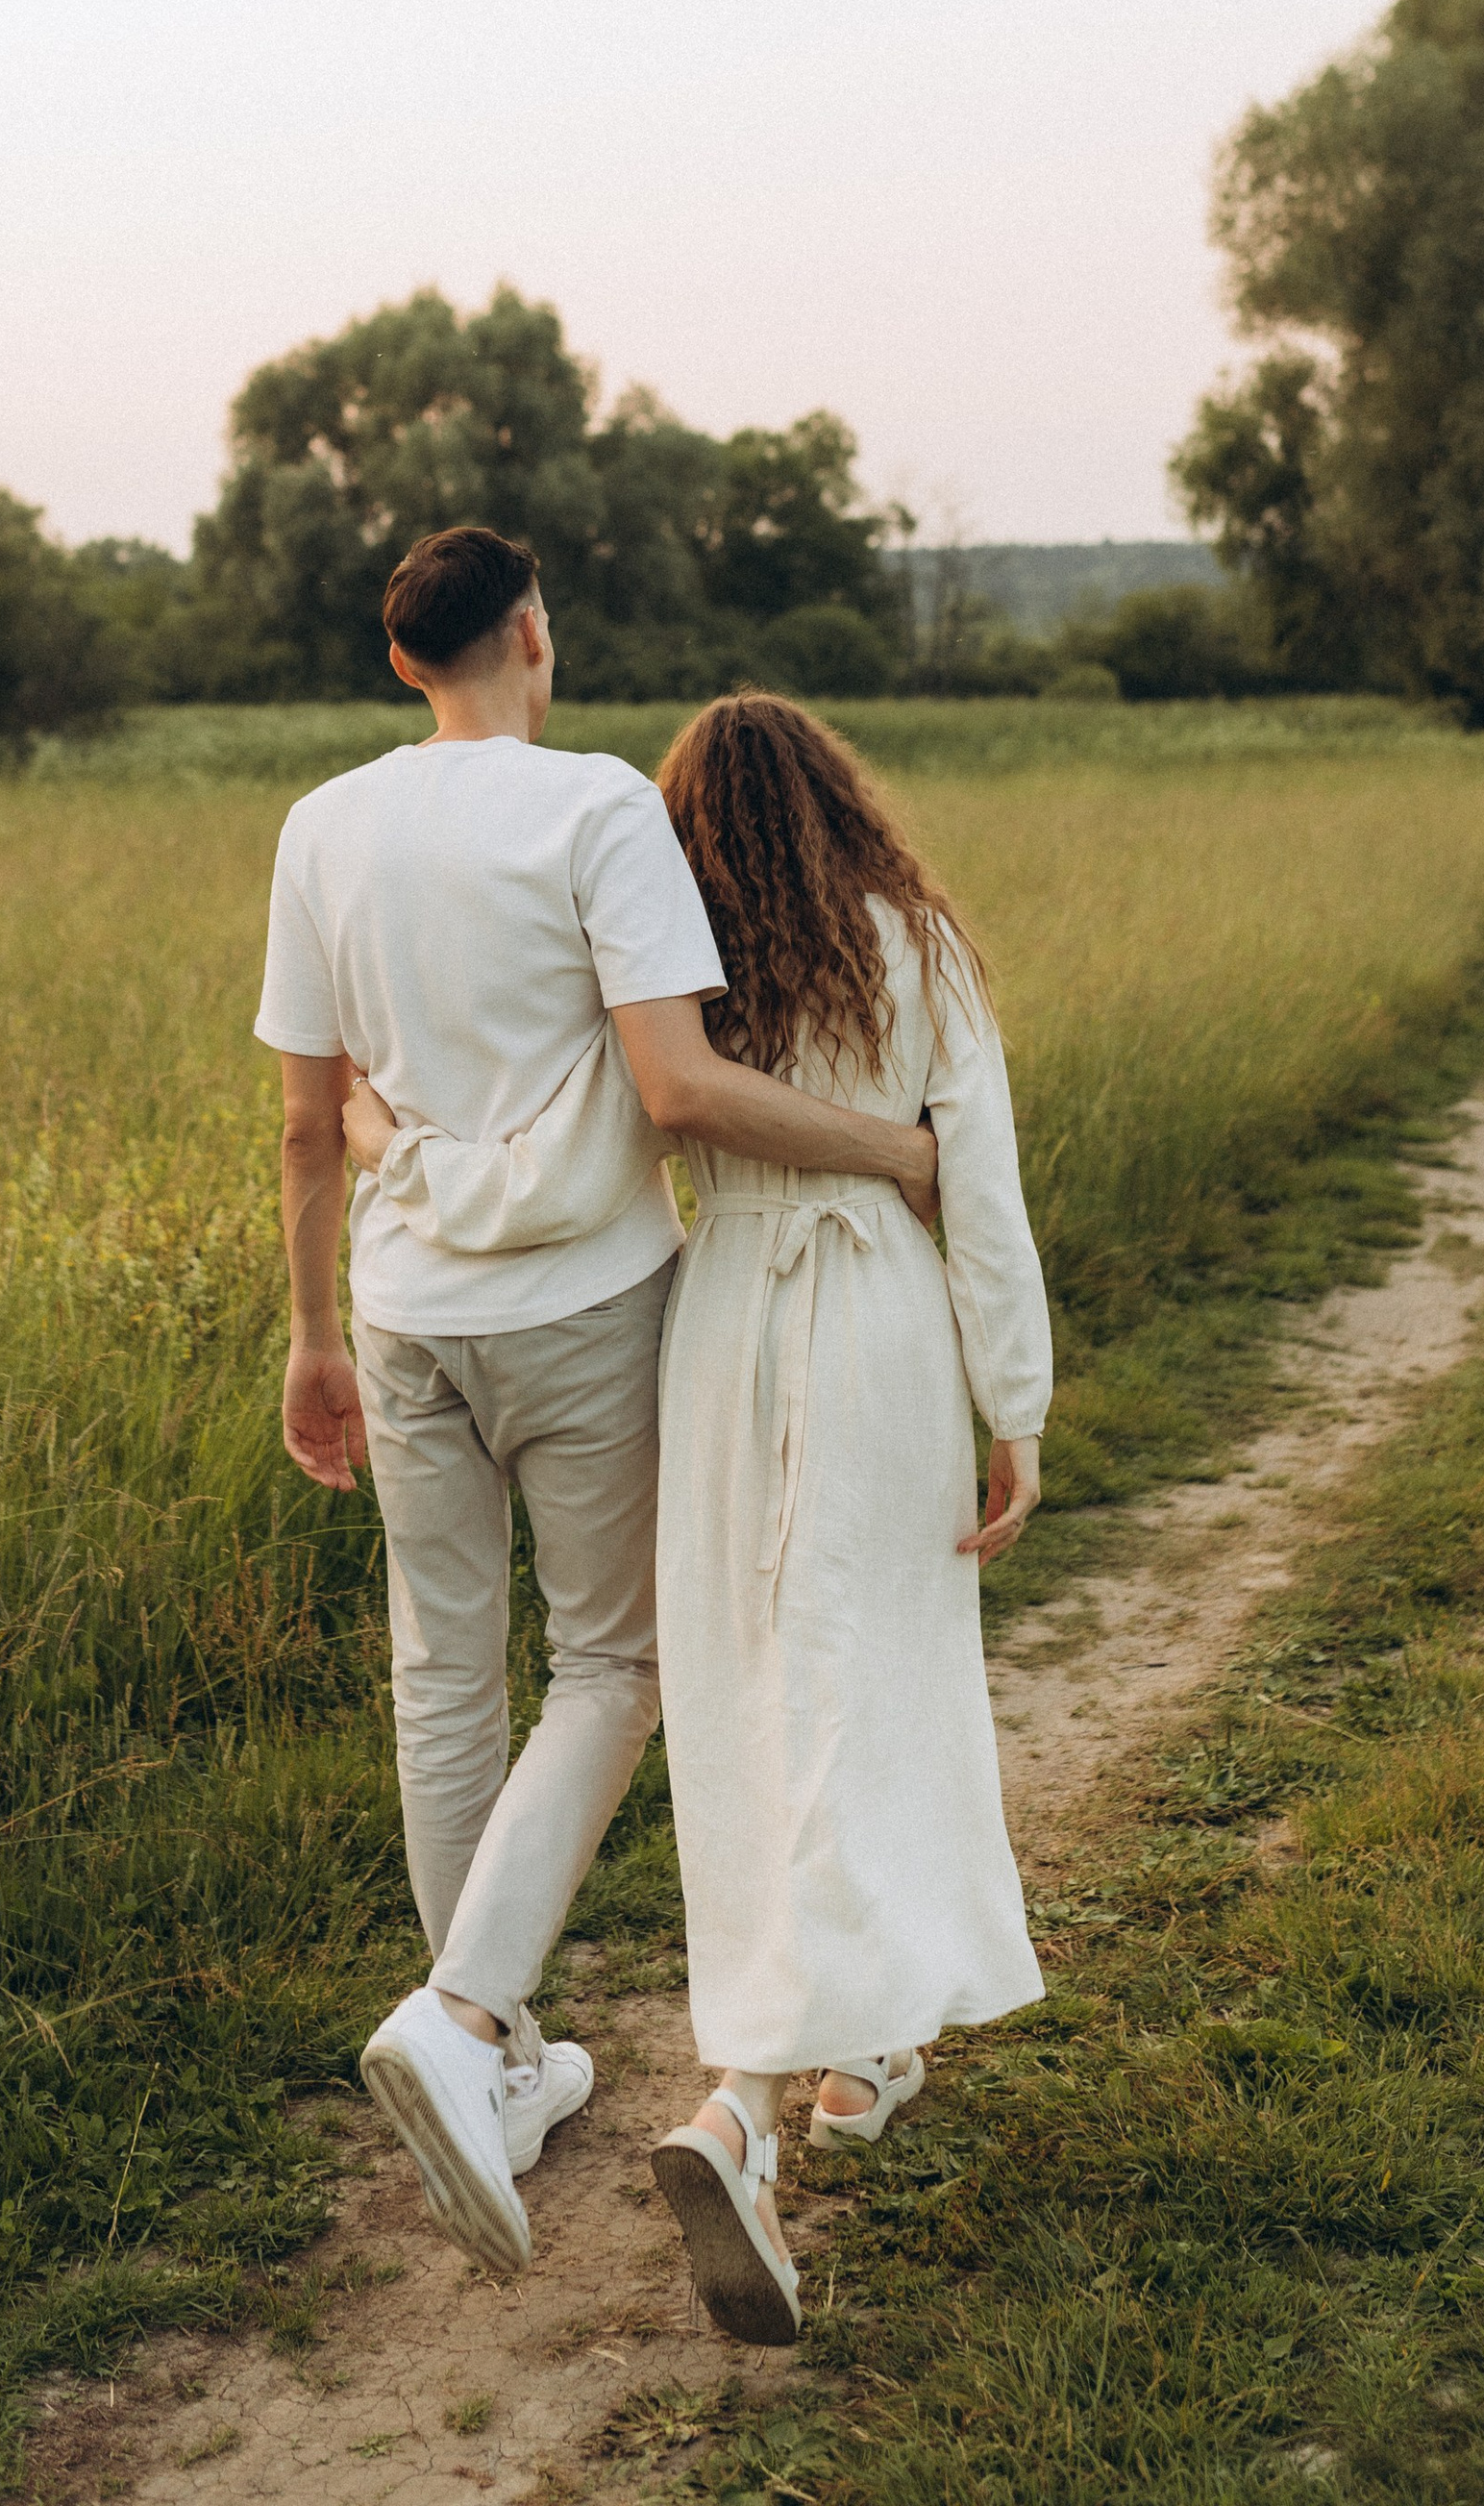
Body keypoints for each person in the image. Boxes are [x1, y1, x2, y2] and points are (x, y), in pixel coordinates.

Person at [255, 532, 944, 2283]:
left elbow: (307, 1116)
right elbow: (677, 1083)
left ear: (406, 661)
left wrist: (309, 1334)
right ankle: (466, 2017)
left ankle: (493, 2061)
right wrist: (894, 1152)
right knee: (614, 1666)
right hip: (581, 1306)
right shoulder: (594, 813)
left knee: (439, 1670)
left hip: (402, 1315)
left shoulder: (323, 826)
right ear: (532, 637)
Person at [344, 691, 1051, 2344]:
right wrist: (1012, 1404)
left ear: (688, 824)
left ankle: (861, 2048)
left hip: (717, 1315)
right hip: (875, 1311)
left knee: (752, 1692)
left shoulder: (668, 950)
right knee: (862, 1675)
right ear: (842, 804)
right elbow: (983, 1182)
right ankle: (742, 2106)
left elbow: (585, 1140)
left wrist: (392, 1140)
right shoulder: (915, 944)